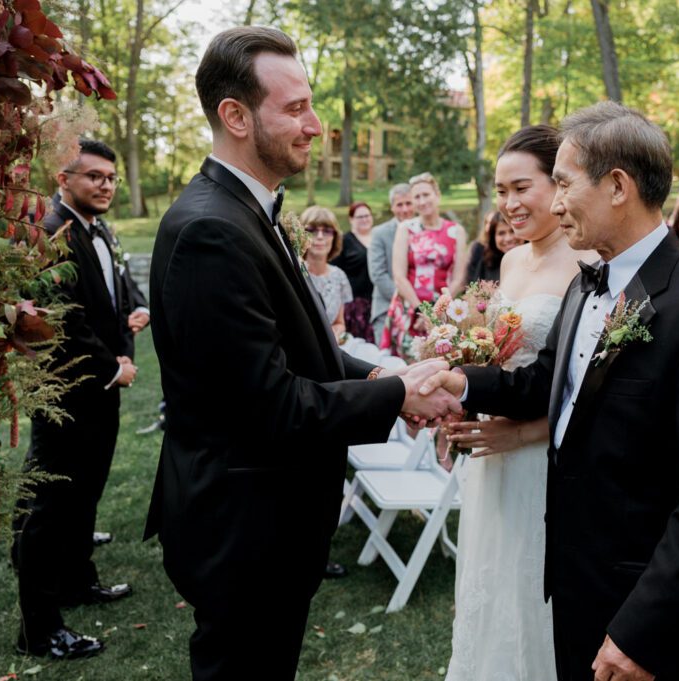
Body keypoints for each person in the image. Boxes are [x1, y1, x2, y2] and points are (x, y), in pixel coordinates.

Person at [144, 27, 458, 680]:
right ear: (234, 115)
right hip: (243, 530)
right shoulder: (211, 230)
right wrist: (400, 396)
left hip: (267, 523)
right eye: (294, 108)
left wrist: (384, 372)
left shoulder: (245, 210)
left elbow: (302, 348)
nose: (315, 125)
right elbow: (272, 406)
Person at [424, 102, 679, 681]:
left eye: (561, 184)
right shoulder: (588, 287)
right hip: (570, 580)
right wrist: (458, 380)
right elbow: (544, 383)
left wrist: (643, 631)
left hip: (639, 602)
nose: (553, 203)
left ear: (617, 186)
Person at [443, 125, 594, 680]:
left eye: (521, 188)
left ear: (558, 185)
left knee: (539, 592)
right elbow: (495, 361)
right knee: (494, 582)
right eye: (499, 191)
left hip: (547, 456)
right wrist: (459, 397)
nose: (507, 205)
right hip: (493, 457)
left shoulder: (588, 265)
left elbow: (593, 385)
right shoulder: (509, 263)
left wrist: (526, 432)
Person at [12, 140, 139, 660]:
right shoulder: (50, 233)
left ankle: (77, 580)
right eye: (94, 177)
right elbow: (62, 317)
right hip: (66, 391)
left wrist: (132, 324)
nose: (105, 185)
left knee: (85, 493)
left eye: (110, 177)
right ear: (64, 179)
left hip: (101, 391)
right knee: (50, 509)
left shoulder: (98, 228)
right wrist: (114, 366)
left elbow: (119, 292)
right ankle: (38, 631)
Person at [386, 172, 468, 354]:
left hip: (443, 310)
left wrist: (436, 314)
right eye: (417, 197)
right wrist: (422, 312)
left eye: (426, 195)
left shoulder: (456, 231)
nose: (422, 201)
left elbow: (459, 278)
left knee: (441, 364)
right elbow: (399, 276)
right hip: (410, 309)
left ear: (437, 195)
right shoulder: (406, 228)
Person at [368, 183, 414, 342]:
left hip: (422, 312)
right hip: (387, 309)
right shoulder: (380, 233)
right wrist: (410, 301)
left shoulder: (425, 231)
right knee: (389, 364)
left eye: (408, 203)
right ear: (392, 208)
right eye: (399, 204)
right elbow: (378, 275)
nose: (405, 209)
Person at [300, 206, 352, 339]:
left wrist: (336, 333)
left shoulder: (339, 276)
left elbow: (339, 323)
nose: (320, 237)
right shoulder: (295, 274)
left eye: (327, 231)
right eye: (312, 230)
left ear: (335, 237)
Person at [331, 201, 375, 341]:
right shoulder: (344, 241)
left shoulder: (378, 238)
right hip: (355, 304)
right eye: (360, 217)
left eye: (367, 215)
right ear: (351, 219)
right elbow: (334, 272)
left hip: (378, 300)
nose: (364, 219)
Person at [466, 210, 519, 283]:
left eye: (512, 231)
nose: (508, 238)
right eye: (501, 233)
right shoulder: (486, 261)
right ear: (493, 238)